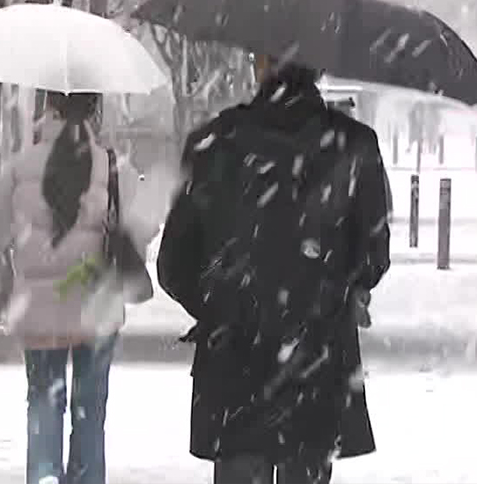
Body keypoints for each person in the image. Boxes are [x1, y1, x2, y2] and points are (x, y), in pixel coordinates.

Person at [157, 56, 391, 484]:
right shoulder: (353, 146)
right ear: (317, 69)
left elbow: (174, 265)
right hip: (317, 365)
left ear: (260, 65)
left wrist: (221, 308)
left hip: (234, 370)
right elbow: (373, 256)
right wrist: (333, 291)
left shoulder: (214, 144)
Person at [0, 91, 157, 484]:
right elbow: (142, 233)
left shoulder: (16, 168)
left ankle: (45, 477)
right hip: (96, 306)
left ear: (47, 108)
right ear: (95, 110)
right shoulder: (116, 169)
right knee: (90, 411)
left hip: (39, 308)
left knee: (44, 407)